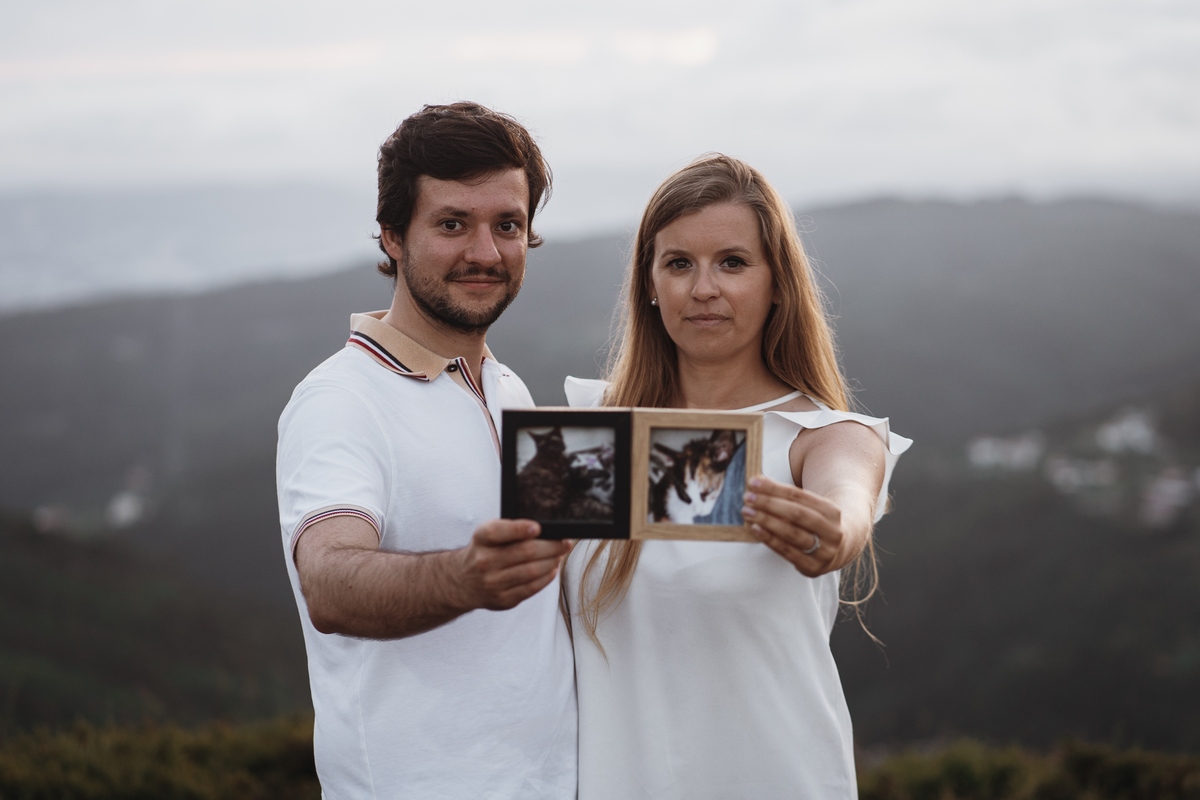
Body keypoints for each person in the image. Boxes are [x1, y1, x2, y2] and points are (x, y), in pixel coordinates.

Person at [563, 154, 912, 799]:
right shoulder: (591, 430)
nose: (703, 289)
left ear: (777, 282)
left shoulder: (824, 436)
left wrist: (831, 531)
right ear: (648, 283)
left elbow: (845, 508)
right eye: (678, 264)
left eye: (732, 262)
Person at [276, 102, 576, 798]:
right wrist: (464, 577)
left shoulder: (509, 389)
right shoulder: (341, 399)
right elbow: (328, 581)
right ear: (392, 239)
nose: (484, 251)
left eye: (507, 225)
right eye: (451, 224)